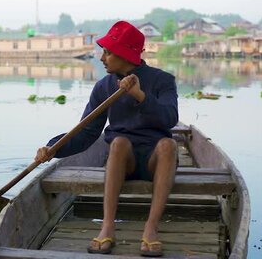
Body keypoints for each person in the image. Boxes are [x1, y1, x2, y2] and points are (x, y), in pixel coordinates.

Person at [35, 20, 178, 257]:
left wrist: (140, 96)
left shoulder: (162, 80)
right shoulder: (104, 87)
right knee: (119, 142)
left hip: (157, 162)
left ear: (125, 54)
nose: (102, 58)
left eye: (108, 52)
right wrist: (53, 148)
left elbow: (169, 119)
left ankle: (151, 228)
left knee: (168, 144)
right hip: (124, 162)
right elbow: (86, 133)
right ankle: (107, 226)